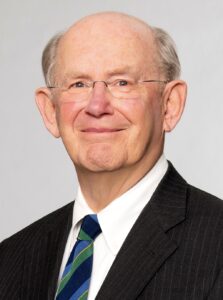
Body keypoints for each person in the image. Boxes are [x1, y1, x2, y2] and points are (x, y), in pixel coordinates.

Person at [0, 11, 223, 300]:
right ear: (50, 111)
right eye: (78, 84)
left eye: (122, 82)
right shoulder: (10, 260)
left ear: (170, 105)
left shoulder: (217, 244)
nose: (97, 105)